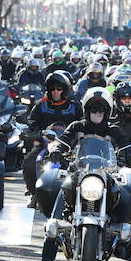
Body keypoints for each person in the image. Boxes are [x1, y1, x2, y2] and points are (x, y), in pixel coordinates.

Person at [33, 87, 131, 261]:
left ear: (108, 111)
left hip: (106, 175)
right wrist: (56, 149)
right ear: (86, 110)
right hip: (78, 174)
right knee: (57, 211)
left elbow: (125, 143)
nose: (98, 112)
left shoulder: (113, 130)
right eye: (94, 108)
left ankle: (123, 241)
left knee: (126, 196)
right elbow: (63, 140)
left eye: (101, 108)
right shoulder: (77, 126)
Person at [20, 71, 82, 204]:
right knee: (29, 163)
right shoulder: (40, 105)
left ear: (65, 90)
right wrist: (34, 133)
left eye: (59, 88)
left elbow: (83, 123)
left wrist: (79, 137)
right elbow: (32, 123)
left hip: (71, 146)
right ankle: (35, 193)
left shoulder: (75, 106)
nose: (55, 91)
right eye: (52, 88)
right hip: (46, 144)